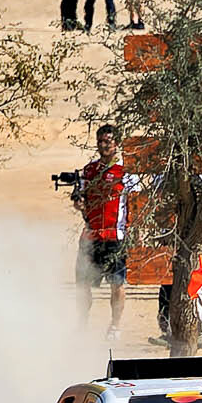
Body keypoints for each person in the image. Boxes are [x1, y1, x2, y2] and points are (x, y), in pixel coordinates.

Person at [74, 124, 132, 341]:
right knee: (82, 284)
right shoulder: (89, 170)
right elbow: (80, 197)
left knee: (117, 283)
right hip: (90, 236)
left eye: (108, 141)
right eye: (100, 141)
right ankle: (81, 324)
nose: (103, 145)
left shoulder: (125, 172)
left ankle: (115, 326)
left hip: (115, 236)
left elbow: (135, 203)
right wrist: (79, 203)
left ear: (117, 143)